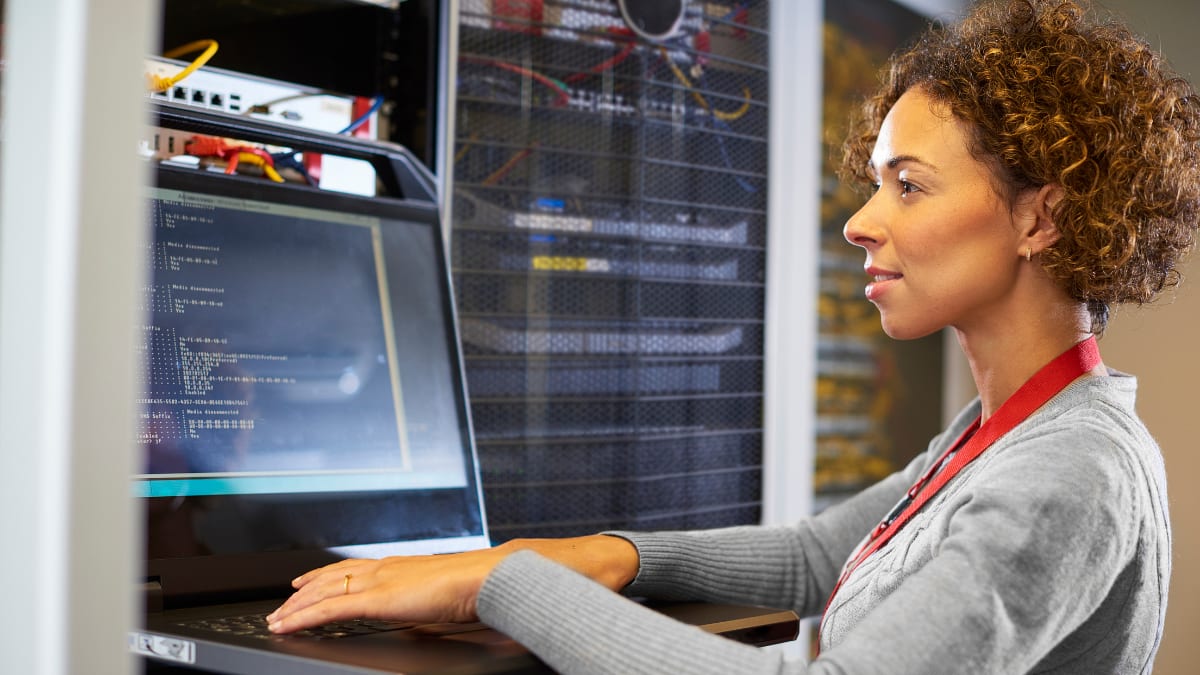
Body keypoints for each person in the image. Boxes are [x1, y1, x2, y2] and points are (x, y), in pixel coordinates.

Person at [265, 0, 1200, 672]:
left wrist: (499, 581)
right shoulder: (1001, 435)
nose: (860, 222)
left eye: (907, 186)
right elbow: (815, 555)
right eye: (875, 182)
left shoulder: (1068, 474)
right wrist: (607, 555)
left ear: (1043, 219)